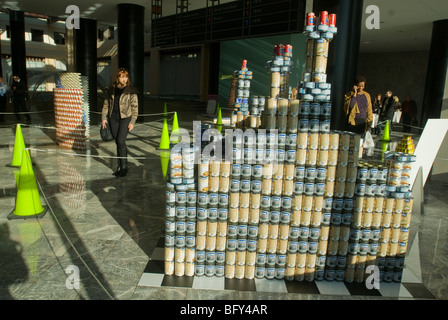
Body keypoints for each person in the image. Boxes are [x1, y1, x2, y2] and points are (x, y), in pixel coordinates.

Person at [102, 68, 139, 177]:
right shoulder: (111, 89)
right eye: (122, 77)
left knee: (121, 140)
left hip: (125, 118)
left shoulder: (131, 90)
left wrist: (132, 121)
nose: (124, 79)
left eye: (126, 76)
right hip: (113, 118)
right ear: (117, 77)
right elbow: (106, 104)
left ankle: (123, 168)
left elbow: (135, 107)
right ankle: (120, 166)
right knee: (117, 141)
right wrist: (104, 117)